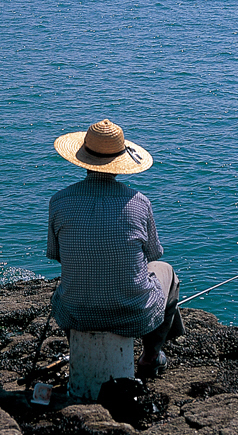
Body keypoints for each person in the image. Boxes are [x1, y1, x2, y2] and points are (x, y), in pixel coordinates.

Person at [47, 118, 184, 378]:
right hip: (132, 316)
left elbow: (57, 256)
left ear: (83, 158)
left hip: (76, 313)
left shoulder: (59, 201)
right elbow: (153, 255)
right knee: (167, 273)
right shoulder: (139, 203)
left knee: (68, 288)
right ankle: (150, 357)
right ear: (120, 162)